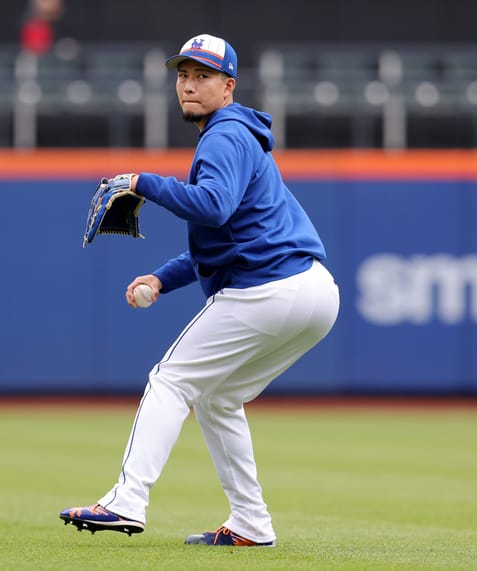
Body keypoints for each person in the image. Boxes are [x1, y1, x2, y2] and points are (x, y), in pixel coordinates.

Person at [59, 34, 340, 547]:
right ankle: (251, 524)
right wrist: (162, 279)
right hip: (314, 292)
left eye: (203, 76)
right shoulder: (238, 136)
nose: (189, 85)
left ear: (227, 86)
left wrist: (145, 182)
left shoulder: (224, 135)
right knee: (219, 398)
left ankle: (126, 502)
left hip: (270, 289)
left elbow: (211, 207)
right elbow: (226, 239)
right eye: (183, 75)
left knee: (170, 382)